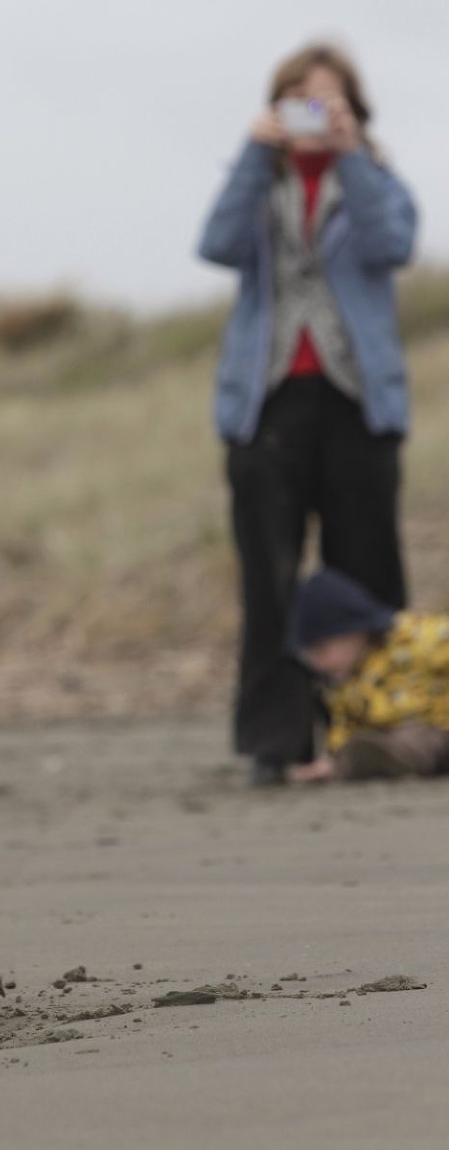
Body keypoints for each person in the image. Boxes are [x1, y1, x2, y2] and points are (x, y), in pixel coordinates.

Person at [196, 42, 418, 786]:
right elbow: (218, 245)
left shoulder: (375, 179)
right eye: (299, 98)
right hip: (268, 401)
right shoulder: (259, 182)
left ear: (353, 108)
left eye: (328, 100)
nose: (313, 113)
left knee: (368, 573)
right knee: (272, 575)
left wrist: (350, 155)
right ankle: (277, 738)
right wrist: (253, 156)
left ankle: (392, 728)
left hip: (358, 400)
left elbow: (394, 243)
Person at [286, 568, 449, 783]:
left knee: (416, 737)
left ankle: (385, 759)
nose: (317, 663)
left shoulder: (414, 641)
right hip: (389, 738)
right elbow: (343, 727)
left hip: (437, 728)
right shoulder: (343, 685)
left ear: (356, 631)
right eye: (308, 657)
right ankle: (370, 761)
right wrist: (333, 759)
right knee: (367, 743)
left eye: (321, 650)